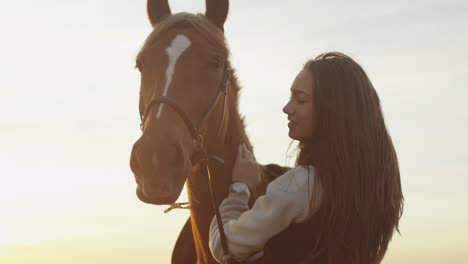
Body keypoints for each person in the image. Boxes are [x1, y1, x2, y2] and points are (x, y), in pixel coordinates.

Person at [209, 52, 404, 264]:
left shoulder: (302, 185)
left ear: (332, 110)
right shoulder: (380, 185)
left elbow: (225, 246)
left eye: (300, 99)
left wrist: (239, 188)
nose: (287, 108)